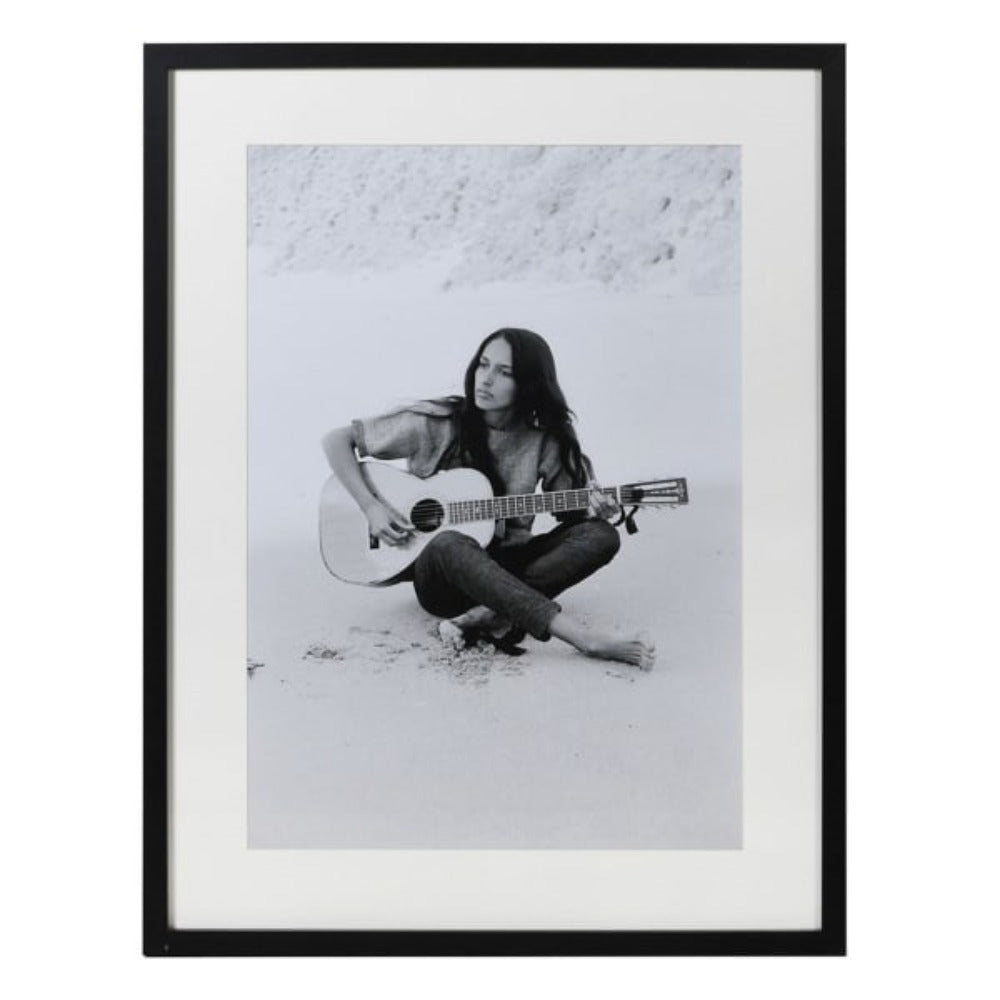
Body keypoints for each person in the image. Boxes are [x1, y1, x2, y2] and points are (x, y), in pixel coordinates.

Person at [322, 327, 655, 669]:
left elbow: (571, 517)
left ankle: (482, 615)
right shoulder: (437, 422)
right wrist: (372, 507)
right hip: (443, 577)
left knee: (601, 535)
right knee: (451, 541)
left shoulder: (545, 440)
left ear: (528, 382)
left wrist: (597, 508)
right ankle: (582, 638)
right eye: (483, 365)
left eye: (504, 372)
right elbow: (337, 440)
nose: (486, 379)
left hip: (509, 564)